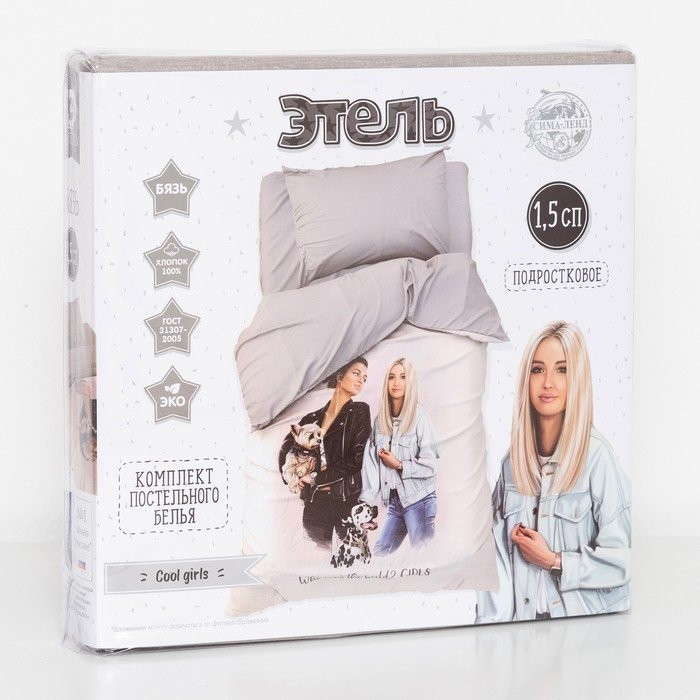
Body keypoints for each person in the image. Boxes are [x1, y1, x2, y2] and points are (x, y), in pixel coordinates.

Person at [476, 321, 631, 622]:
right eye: (538, 369)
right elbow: (494, 563)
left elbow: (624, 560)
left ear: (578, 378)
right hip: (523, 633)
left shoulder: (597, 457)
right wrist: (489, 633)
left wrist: (554, 561)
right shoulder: (512, 465)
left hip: (585, 633)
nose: (548, 382)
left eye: (562, 370)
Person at [279, 357, 371, 547]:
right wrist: (293, 477)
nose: (361, 380)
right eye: (356, 373)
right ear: (339, 376)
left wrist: (315, 477)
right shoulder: (311, 418)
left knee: (351, 558)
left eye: (364, 378)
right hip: (314, 503)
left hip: (346, 502)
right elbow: (285, 449)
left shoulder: (359, 411)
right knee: (315, 553)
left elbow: (357, 459)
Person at [361, 357, 438, 555]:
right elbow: (371, 464)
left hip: (420, 500)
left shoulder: (420, 418)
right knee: (379, 554)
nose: (396, 383)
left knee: (423, 557)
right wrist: (367, 499)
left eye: (403, 377)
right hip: (396, 502)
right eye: (391, 377)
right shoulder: (380, 422)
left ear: (410, 382)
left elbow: (432, 465)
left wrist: (399, 464)